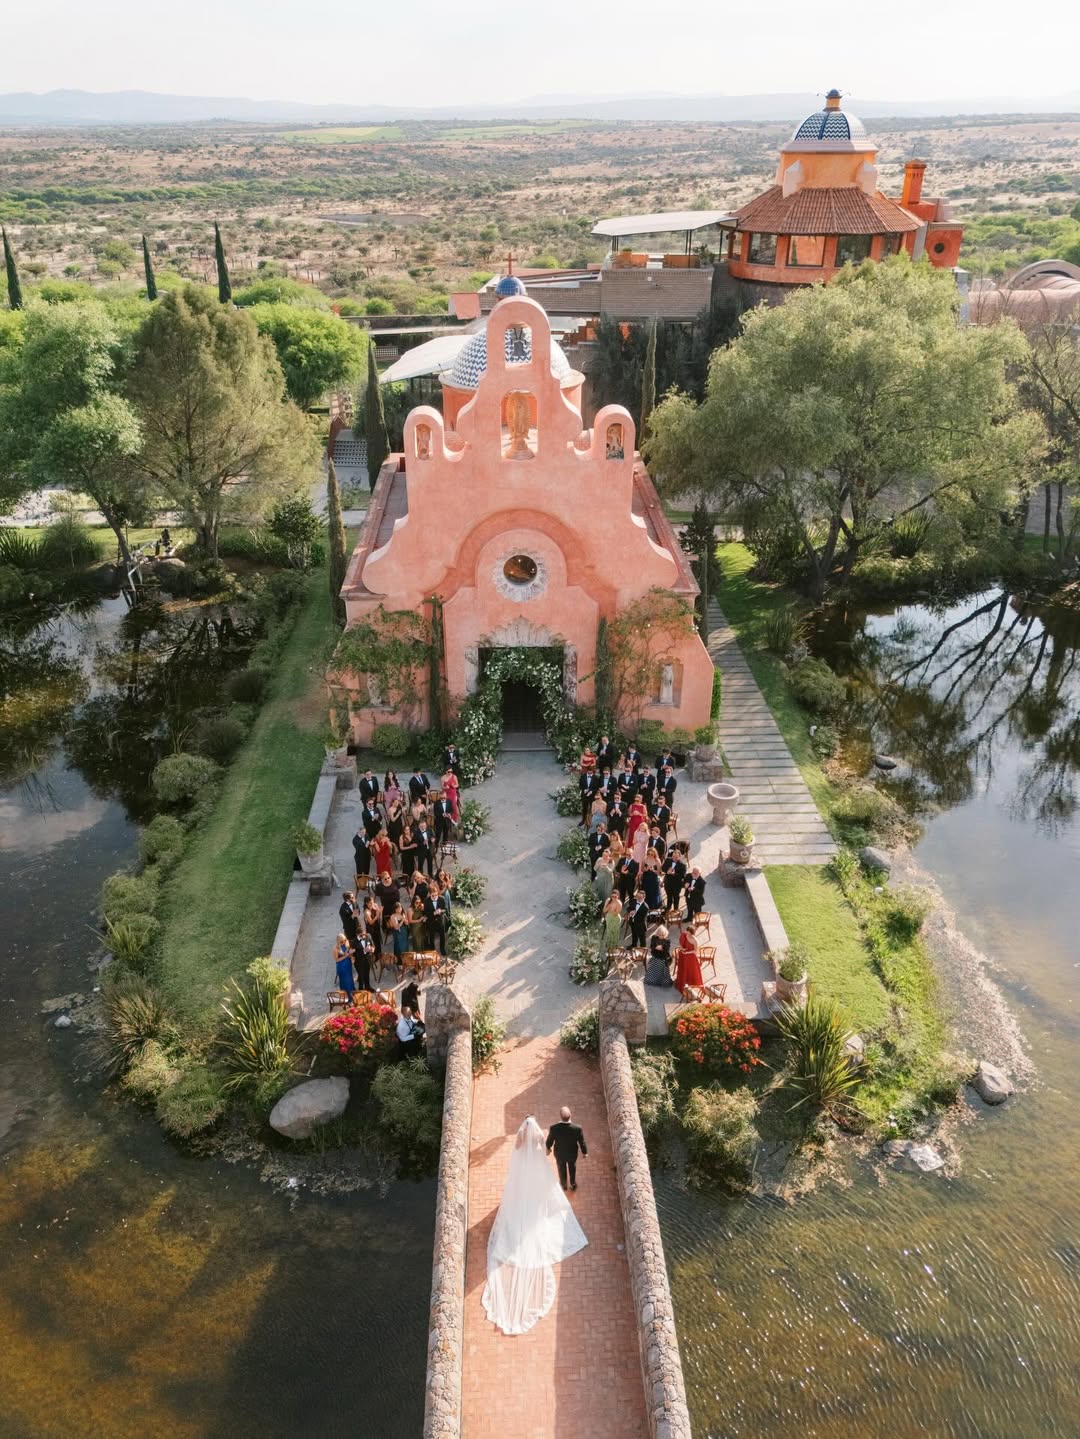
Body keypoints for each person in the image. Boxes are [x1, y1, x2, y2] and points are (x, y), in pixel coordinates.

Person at [481, 1115, 588, 1336]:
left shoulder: (520, 1141)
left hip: (523, 1178)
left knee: (521, 1198)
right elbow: (543, 1147)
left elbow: (518, 1154)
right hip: (536, 1175)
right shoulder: (539, 1136)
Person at [546, 1106, 588, 1192]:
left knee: (561, 1168)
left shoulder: (554, 1128)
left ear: (560, 1116)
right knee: (572, 1167)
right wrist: (585, 1152)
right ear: (571, 1115)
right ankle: (572, 1184)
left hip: (559, 1154)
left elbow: (549, 1140)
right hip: (572, 1154)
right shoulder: (577, 1129)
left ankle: (564, 1185)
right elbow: (582, 1142)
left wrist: (548, 1148)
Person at [674, 928, 704, 994]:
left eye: (687, 931)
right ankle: (682, 984)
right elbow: (681, 944)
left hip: (691, 958)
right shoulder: (685, 935)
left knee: (690, 971)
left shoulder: (695, 940)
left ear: (690, 932)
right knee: (682, 969)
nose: (686, 932)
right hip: (683, 956)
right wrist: (682, 948)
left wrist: (686, 953)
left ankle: (690, 986)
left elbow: (695, 951)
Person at [333, 933, 356, 998]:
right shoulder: (336, 948)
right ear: (338, 941)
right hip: (341, 967)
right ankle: (347, 997)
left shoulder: (346, 944)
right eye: (342, 941)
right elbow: (336, 960)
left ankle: (352, 994)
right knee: (345, 981)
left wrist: (351, 956)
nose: (344, 942)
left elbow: (348, 953)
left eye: (345, 940)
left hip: (348, 965)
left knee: (350, 980)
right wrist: (345, 956)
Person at [600, 892, 623, 956]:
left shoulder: (619, 903)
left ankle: (613, 949)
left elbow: (615, 913)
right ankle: (609, 946)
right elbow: (604, 910)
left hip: (615, 919)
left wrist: (610, 907)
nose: (614, 898)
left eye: (615, 897)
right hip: (609, 917)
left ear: (618, 896)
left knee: (615, 933)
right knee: (609, 932)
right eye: (612, 896)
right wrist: (607, 905)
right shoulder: (608, 900)